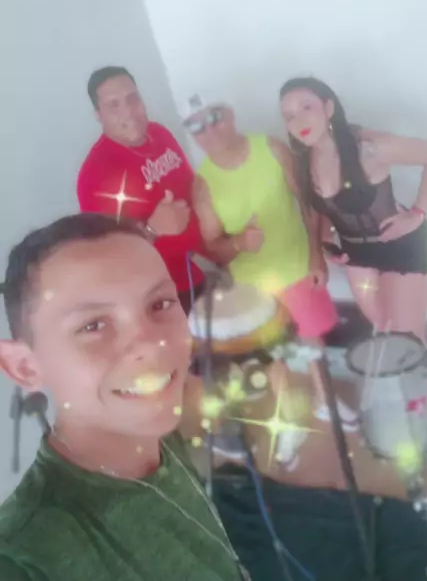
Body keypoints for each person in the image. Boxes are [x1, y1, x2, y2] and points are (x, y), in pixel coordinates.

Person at [0, 213, 248, 581]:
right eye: (93, 325)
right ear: (25, 368)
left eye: (160, 304)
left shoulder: (157, 434)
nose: (151, 344)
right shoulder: (23, 556)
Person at [279, 77, 427, 463]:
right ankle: (406, 409)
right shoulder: (305, 162)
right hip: (357, 254)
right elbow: (322, 211)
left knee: (409, 337)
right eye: (288, 115)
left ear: (328, 108)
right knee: (384, 333)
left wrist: (417, 212)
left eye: (306, 107)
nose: (298, 120)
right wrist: (326, 244)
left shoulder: (369, 146)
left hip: (403, 249)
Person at [183, 94, 357, 433]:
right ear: (193, 135)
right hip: (252, 285)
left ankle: (326, 399)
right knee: (271, 352)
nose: (210, 130)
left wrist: (316, 254)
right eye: (198, 126)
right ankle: (286, 413)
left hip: (296, 265)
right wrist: (238, 243)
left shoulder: (272, 149)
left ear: (230, 114)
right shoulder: (203, 185)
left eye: (215, 117)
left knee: (313, 338)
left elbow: (309, 203)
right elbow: (214, 248)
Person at [77, 66, 206, 314]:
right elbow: (108, 257)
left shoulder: (159, 133)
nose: (128, 111)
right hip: (159, 297)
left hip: (200, 269)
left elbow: (193, 191)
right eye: (114, 105)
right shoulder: (95, 175)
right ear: (98, 115)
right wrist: (152, 229)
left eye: (132, 98)